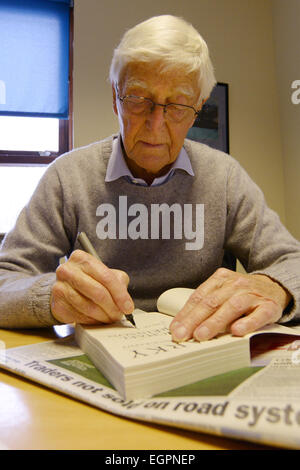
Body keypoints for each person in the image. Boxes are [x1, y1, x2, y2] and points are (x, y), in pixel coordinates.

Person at [0, 15, 299, 343]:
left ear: (199, 106)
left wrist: (274, 287)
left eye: (178, 106)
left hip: (197, 351)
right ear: (115, 97)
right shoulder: (67, 177)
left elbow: (292, 262)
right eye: (138, 100)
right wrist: (52, 298)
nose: (156, 126)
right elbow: (5, 281)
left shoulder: (224, 178)